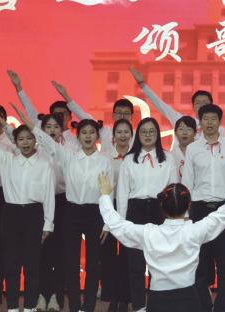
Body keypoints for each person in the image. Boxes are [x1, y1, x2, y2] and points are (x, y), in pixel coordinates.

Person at [97, 152, 225, 312]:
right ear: (188, 205)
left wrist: (105, 196)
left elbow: (116, 224)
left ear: (162, 207)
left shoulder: (149, 233)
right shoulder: (195, 231)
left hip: (158, 301)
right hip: (189, 300)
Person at [0, 105, 55, 312]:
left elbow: (49, 196)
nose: (25, 143)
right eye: (21, 139)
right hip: (11, 215)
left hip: (35, 215)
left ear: (35, 141)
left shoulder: (44, 165)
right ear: (15, 142)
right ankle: (13, 307)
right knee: (11, 265)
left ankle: (29, 307)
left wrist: (48, 224)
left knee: (32, 266)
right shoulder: (6, 160)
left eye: (29, 139)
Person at [31, 116, 112, 312]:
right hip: (72, 212)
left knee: (93, 264)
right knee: (71, 263)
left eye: (91, 133)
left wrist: (108, 222)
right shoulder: (69, 157)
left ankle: (89, 306)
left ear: (97, 136)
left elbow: (109, 192)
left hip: (96, 213)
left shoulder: (105, 161)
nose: (88, 136)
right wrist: (29, 122)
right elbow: (46, 140)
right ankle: (75, 306)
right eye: (84, 133)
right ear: (78, 136)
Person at [184, 104, 225, 312]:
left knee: (224, 263)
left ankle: (222, 307)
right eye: (205, 118)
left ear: (219, 121)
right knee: (200, 263)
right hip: (199, 210)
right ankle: (204, 306)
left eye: (213, 118)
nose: (209, 122)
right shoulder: (192, 148)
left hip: (223, 210)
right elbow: (188, 182)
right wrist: (185, 214)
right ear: (200, 122)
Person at [117, 117, 174, 312]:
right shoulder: (129, 159)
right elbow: (122, 193)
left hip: (160, 211)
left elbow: (173, 190)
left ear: (158, 134)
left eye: (152, 131)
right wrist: (121, 224)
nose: (148, 135)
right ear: (138, 135)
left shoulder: (168, 158)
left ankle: (158, 305)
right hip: (136, 212)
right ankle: (139, 306)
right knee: (136, 264)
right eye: (144, 132)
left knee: (159, 263)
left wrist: (173, 219)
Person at [128, 66, 225, 145]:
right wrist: (142, 84)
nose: (202, 106)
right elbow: (160, 104)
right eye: (198, 103)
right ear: (193, 106)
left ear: (211, 105)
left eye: (205, 103)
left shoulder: (220, 130)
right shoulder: (181, 120)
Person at [33, 112, 68, 312]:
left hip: (61, 202)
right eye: (48, 127)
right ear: (42, 130)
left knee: (59, 252)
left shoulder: (67, 151)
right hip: (39, 205)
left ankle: (56, 295)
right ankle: (41, 295)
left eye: (56, 127)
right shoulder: (35, 152)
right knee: (41, 252)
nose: (52, 130)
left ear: (62, 130)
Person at [101, 118, 135, 312]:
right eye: (119, 132)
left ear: (131, 135)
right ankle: (111, 297)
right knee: (108, 257)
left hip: (131, 208)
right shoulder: (105, 157)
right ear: (113, 136)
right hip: (110, 207)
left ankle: (125, 299)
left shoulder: (136, 156)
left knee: (127, 256)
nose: (123, 135)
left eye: (126, 132)